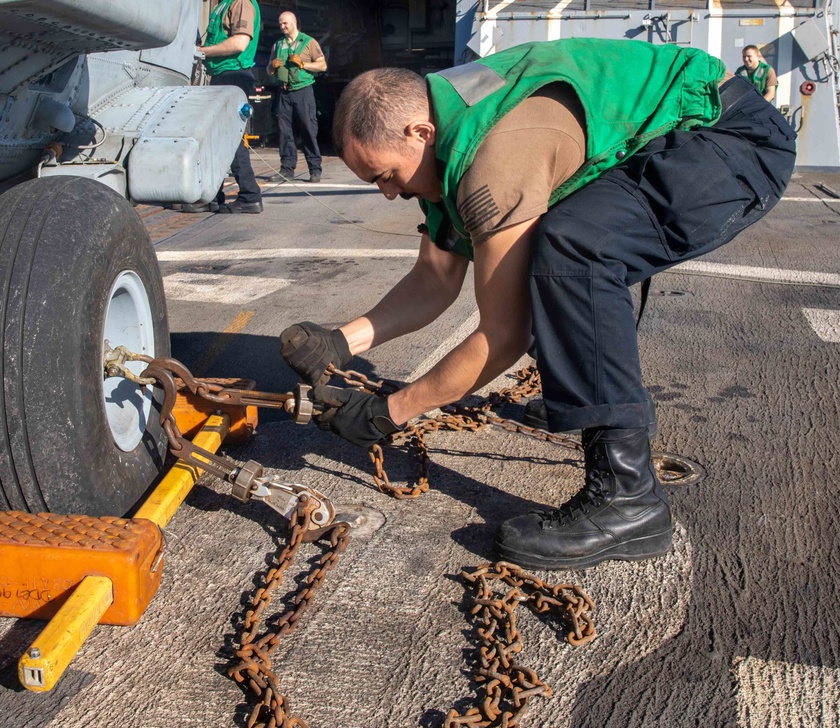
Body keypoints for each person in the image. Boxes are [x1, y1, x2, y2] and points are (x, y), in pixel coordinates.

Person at [279, 39, 796, 570]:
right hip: (667, 139)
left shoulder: (494, 155)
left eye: (386, 175)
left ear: (419, 133)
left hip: (727, 138)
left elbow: (504, 335)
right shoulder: (447, 135)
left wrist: (389, 412)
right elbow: (434, 279)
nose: (388, 192)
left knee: (577, 248)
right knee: (564, 245)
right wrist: (342, 341)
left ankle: (629, 498)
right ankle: (589, 386)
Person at [197, 0, 264, 214]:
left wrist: (201, 52)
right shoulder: (223, 4)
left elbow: (240, 43)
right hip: (222, 74)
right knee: (216, 139)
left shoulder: (240, 2)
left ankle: (250, 195)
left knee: (230, 139)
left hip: (234, 74)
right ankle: (213, 197)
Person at [265, 12, 327, 183]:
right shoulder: (278, 45)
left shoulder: (308, 42)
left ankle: (315, 169)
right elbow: (268, 68)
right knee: (285, 132)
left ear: (294, 22)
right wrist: (272, 66)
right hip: (284, 93)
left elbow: (322, 65)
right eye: (280, 24)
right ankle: (286, 170)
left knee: (308, 129)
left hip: (303, 92)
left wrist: (303, 64)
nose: (282, 26)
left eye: (285, 23)